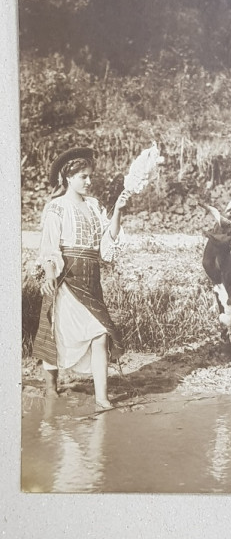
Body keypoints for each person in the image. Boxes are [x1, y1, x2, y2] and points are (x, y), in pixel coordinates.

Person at [33, 147, 130, 409]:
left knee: (100, 333)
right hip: (67, 278)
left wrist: (118, 210)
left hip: (91, 278)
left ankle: (102, 399)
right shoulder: (57, 207)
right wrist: (51, 273)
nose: (89, 181)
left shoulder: (95, 206)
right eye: (83, 177)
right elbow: (50, 246)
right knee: (56, 332)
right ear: (67, 178)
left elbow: (108, 243)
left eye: (90, 176)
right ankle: (51, 389)